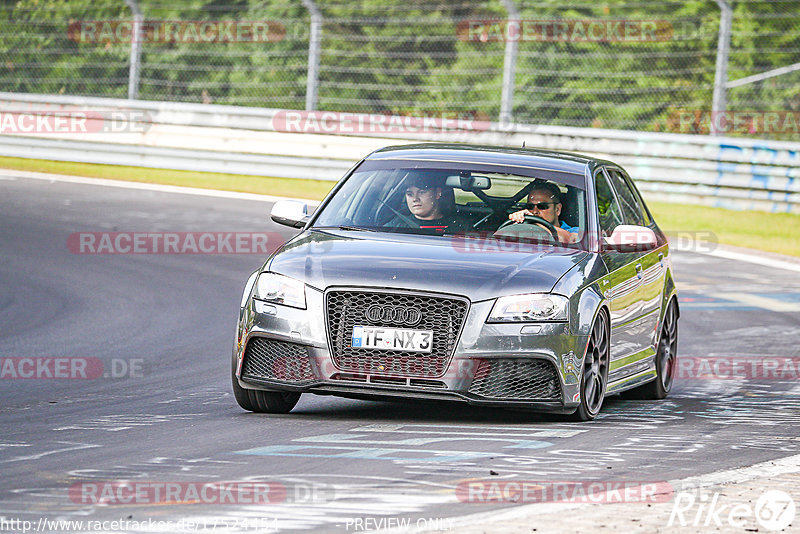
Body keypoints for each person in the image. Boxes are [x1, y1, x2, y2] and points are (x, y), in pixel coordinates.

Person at [507, 182, 579, 243]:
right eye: (530, 206)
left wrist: (535, 223)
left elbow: (572, 240)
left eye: (542, 206)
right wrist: (516, 224)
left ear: (557, 209)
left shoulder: (574, 230)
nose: (535, 211)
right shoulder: (524, 229)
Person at [388, 175, 461, 232]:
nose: (415, 199)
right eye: (410, 194)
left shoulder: (459, 226)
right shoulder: (395, 226)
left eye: (422, 192)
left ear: (438, 193)